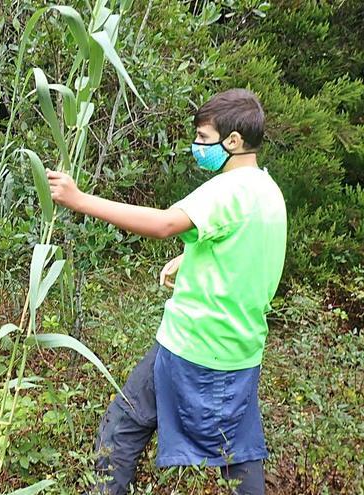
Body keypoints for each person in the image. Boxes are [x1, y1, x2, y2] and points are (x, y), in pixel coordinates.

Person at [47, 89, 286, 495]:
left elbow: (163, 224)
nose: (197, 146)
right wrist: (191, 256)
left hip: (193, 345)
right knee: (237, 451)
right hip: (240, 349)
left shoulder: (227, 189)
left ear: (233, 141)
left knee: (123, 427)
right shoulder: (266, 191)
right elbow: (242, 246)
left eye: (204, 138)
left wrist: (80, 200)